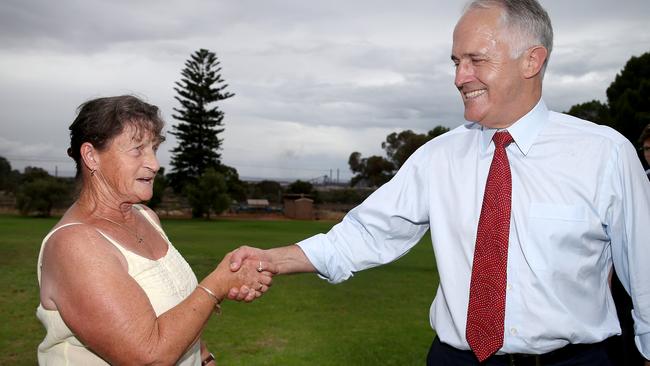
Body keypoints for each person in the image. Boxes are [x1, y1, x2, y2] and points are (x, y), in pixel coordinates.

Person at [227, 0, 650, 365]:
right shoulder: (437, 157)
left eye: (476, 60)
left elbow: (646, 283)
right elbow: (362, 236)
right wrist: (271, 259)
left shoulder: (605, 155)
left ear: (532, 60)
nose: (459, 77)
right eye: (456, 62)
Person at [37, 95, 276, 365]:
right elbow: (148, 357)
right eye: (137, 149)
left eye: (154, 148)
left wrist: (206, 359)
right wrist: (217, 284)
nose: (155, 163)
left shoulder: (147, 218)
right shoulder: (74, 244)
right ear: (91, 156)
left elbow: (175, 311)